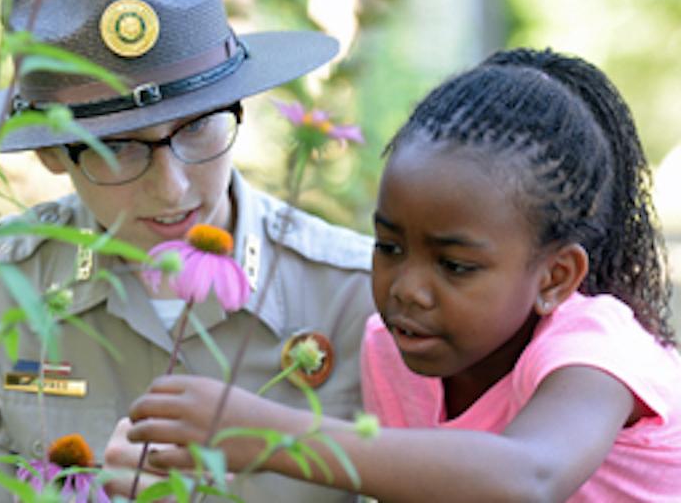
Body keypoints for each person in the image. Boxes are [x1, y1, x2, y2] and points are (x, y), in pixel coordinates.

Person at [0, 0, 374, 502]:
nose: (172, 188)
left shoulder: (355, 294)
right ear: (51, 155)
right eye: (114, 147)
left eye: (196, 127)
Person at [123, 48, 681, 502]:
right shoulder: (393, 355)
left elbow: (529, 477)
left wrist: (264, 432)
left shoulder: (594, 351)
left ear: (556, 277)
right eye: (389, 246)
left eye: (455, 266)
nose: (406, 289)